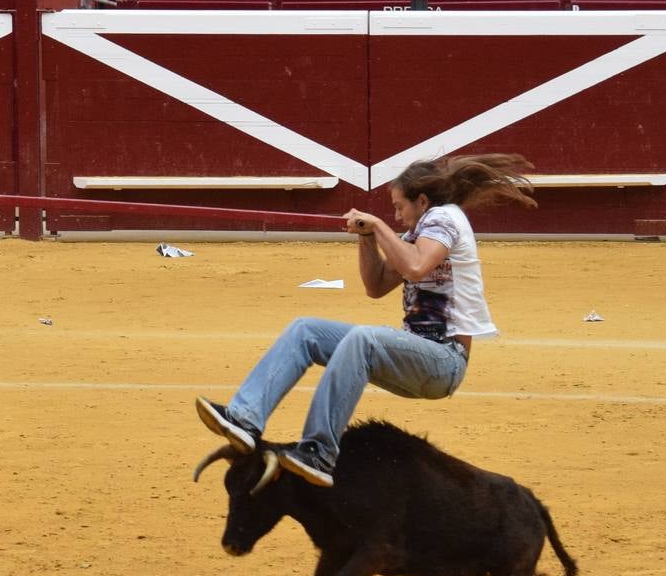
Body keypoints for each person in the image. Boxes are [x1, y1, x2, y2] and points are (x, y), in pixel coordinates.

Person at [194, 155, 534, 489]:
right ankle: (245, 418)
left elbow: (416, 267)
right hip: (417, 358)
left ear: (422, 201)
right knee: (305, 331)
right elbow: (376, 285)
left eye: (399, 207)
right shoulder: (420, 231)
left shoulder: (443, 218)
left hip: (445, 361)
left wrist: (379, 226)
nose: (397, 216)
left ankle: (319, 452)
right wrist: (367, 238)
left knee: (363, 339)